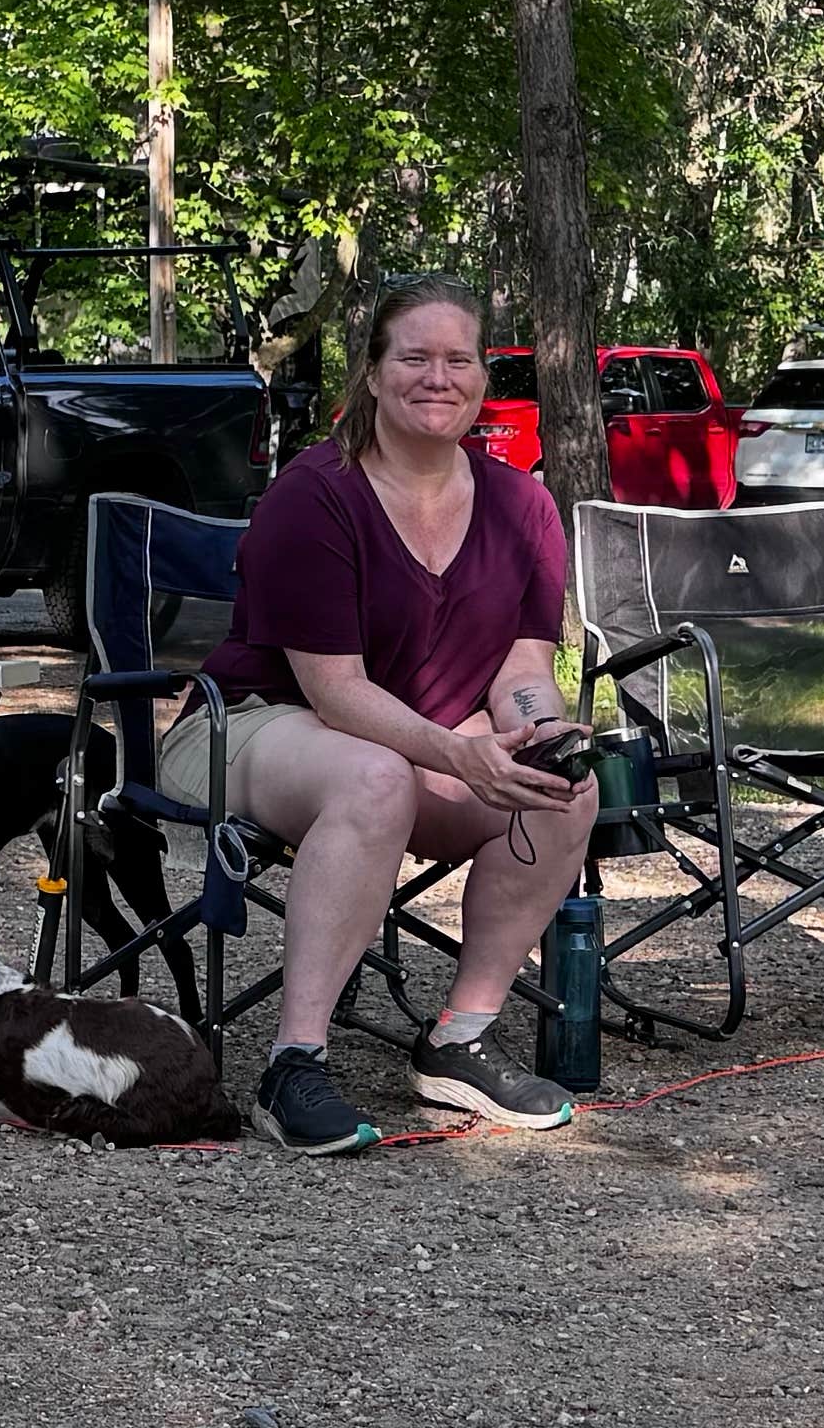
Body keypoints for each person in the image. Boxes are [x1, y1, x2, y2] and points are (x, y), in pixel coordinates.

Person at [190, 271, 597, 1152]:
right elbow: (333, 690)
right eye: (414, 357)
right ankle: (292, 1065)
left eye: (458, 359)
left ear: (484, 377)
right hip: (254, 724)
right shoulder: (315, 494)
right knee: (375, 778)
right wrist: (460, 754)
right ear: (372, 373)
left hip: (417, 745)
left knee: (566, 786)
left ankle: (460, 1039)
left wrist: (537, 731)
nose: (437, 378)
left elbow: (524, 663)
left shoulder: (523, 505)